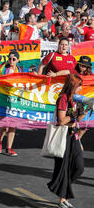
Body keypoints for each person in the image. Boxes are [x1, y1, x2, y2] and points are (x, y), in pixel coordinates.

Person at [47, 74, 86, 208]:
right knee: (63, 168)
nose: (81, 89)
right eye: (79, 86)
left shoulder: (77, 100)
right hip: (63, 136)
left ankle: (63, 192)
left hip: (73, 136)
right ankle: (63, 198)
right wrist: (74, 115)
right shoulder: (63, 98)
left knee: (79, 167)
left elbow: (78, 120)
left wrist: (83, 112)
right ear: (73, 85)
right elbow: (62, 120)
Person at [0, 51, 22, 156]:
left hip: (13, 99)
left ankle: (9, 148)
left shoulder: (19, 70)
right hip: (3, 98)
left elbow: (22, 82)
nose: (11, 61)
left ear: (18, 60)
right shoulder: (3, 68)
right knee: (4, 125)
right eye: (9, 59)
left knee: (13, 124)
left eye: (14, 59)